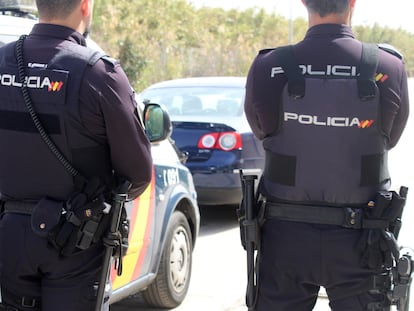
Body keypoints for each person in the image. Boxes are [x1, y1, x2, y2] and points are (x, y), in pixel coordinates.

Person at [244, 0, 409, 310]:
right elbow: (391, 138)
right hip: (362, 238)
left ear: (304, 2)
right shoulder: (388, 67)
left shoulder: (268, 66)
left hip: (284, 239)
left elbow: (263, 132)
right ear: (352, 3)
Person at [0, 0, 153, 310]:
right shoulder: (99, 73)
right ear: (85, 5)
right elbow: (138, 173)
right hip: (75, 241)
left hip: (9, 235)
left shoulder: (3, 61)